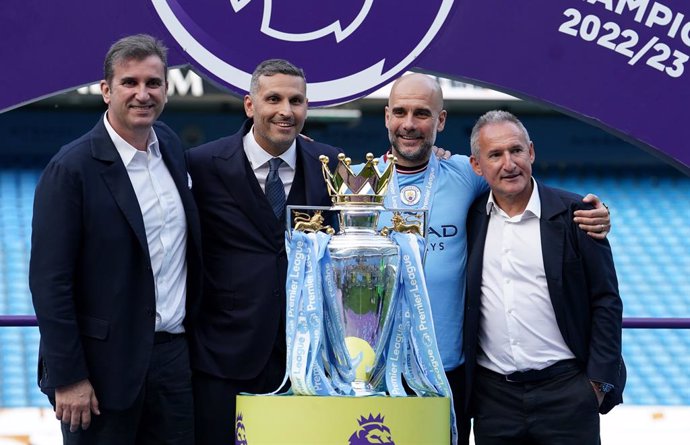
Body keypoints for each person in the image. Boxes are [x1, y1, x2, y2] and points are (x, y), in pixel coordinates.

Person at [366, 73, 611, 443]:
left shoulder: (467, 174)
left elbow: (515, 178)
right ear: (386, 116)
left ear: (440, 120)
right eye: (400, 112)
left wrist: (599, 211)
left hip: (454, 374)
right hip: (381, 371)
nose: (409, 123)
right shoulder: (354, 181)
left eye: (422, 113)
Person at [29, 34, 202, 444]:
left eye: (153, 83)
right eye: (130, 83)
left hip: (173, 363)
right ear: (106, 90)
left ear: (166, 89)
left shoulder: (172, 148)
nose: (142, 94)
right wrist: (69, 378)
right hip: (100, 374)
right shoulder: (70, 169)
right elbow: (50, 283)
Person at [186, 59, 341, 445]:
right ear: (250, 105)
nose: (285, 111)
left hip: (307, 358)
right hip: (223, 356)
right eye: (273, 99)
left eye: (296, 100)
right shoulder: (202, 164)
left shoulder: (331, 164)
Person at [464, 110, 625, 444]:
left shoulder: (577, 214)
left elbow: (607, 300)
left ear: (531, 152)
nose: (509, 163)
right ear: (477, 166)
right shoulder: (470, 217)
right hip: (494, 399)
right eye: (495, 154)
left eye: (516, 150)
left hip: (568, 392)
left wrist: (596, 386)